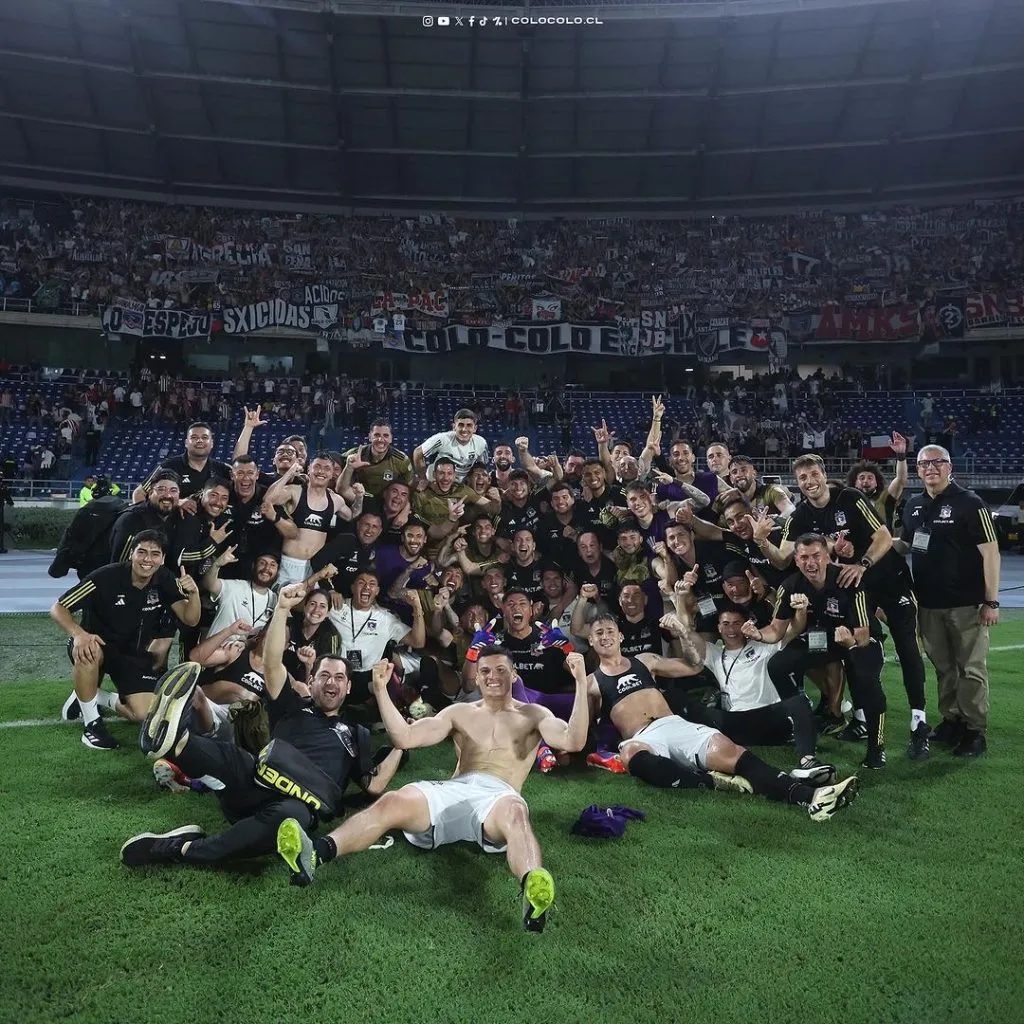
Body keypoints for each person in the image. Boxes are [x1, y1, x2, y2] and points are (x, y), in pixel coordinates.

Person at [275, 646, 592, 932]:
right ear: (477, 678)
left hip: (498, 796)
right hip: (456, 788)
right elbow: (406, 738)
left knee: (516, 813)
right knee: (393, 801)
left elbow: (573, 741)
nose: (492, 677)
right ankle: (315, 853)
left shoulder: (534, 715)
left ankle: (531, 890)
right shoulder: (460, 713)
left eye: (500, 670)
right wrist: (383, 691)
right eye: (485, 671)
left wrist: (580, 683)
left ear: (513, 674)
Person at [118, 585, 404, 872]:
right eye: (324, 675)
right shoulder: (293, 705)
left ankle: (179, 848)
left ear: (348, 686)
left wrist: (401, 745)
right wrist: (280, 610)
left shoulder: (356, 733)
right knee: (234, 757)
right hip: (253, 782)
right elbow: (272, 663)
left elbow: (375, 785)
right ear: (311, 681)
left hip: (294, 805)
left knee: (292, 819)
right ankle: (171, 741)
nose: (331, 682)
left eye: (339, 678)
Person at [585, 612, 858, 820]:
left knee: (730, 752)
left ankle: (811, 796)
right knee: (631, 754)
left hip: (673, 724)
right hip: (642, 737)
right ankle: (709, 780)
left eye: (610, 631)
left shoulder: (645, 661)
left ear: (620, 636)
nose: (605, 636)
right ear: (591, 640)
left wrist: (682, 632)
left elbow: (693, 667)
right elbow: (585, 730)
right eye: (599, 633)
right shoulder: (591, 683)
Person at [753, 453, 929, 756]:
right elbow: (782, 559)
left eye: (813, 475)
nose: (809, 482)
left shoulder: (850, 498)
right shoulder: (799, 517)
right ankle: (861, 718)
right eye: (802, 478)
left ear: (824, 474)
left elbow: (884, 536)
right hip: (853, 589)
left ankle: (918, 722)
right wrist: (760, 541)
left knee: (907, 649)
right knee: (854, 651)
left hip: (886, 581)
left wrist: (862, 563)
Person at [50, 530, 201, 749]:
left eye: (154, 554)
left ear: (162, 559)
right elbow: (58, 607)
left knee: (141, 714)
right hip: (98, 645)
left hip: (133, 653)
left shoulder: (165, 578)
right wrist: (79, 634)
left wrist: (194, 593)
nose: (147, 559)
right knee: (87, 650)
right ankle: (92, 725)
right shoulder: (104, 576)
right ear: (131, 554)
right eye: (142, 552)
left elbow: (190, 619)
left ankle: (88, 694)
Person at [894, 445, 1000, 757]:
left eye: (937, 462)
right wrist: (877, 544)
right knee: (943, 667)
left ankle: (974, 730)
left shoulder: (970, 503)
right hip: (928, 603)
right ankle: (952, 719)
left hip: (967, 603)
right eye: (924, 463)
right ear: (918, 469)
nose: (931, 468)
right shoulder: (913, 505)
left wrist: (991, 602)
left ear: (949, 466)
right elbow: (906, 545)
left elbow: (991, 552)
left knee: (970, 668)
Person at [755, 532, 888, 770]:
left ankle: (876, 748)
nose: (810, 562)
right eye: (804, 557)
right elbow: (776, 630)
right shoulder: (790, 585)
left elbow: (863, 634)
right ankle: (803, 728)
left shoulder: (849, 580)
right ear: (796, 560)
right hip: (824, 638)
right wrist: (757, 634)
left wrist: (850, 644)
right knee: (778, 665)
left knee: (867, 679)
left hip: (858, 639)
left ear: (827, 557)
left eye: (816, 555)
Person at [264, 453, 362, 587]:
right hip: (288, 565)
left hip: (314, 569)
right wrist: (289, 473)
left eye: (327, 468)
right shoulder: (295, 491)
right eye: (317, 466)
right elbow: (268, 500)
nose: (321, 471)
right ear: (309, 469)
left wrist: (360, 497)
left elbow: (352, 515)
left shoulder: (335, 500)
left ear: (333, 473)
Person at [133, 422, 232, 505]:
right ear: (186, 443)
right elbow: (139, 493)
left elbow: (241, 467)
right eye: (194, 437)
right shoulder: (168, 466)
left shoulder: (221, 469)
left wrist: (248, 428)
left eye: (205, 437)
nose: (200, 441)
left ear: (212, 443)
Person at [846, 432, 909, 531]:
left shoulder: (885, 498)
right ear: (855, 482)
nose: (866, 480)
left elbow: (901, 480)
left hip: (884, 545)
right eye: (862, 478)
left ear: (876, 483)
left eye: (870, 478)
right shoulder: (846, 501)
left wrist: (901, 455)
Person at [339, 419, 413, 497]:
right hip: (359, 499)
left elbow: (408, 487)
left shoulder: (401, 460)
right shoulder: (354, 455)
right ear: (370, 437)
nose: (380, 439)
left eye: (386, 435)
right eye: (377, 435)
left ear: (391, 438)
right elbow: (334, 463)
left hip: (387, 503)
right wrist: (349, 467)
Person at [413, 408, 489, 484]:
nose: (464, 429)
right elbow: (418, 452)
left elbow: (481, 466)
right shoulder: (442, 439)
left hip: (462, 484)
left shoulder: (481, 443)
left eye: (469, 425)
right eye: (460, 425)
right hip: (437, 481)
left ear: (475, 428)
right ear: (454, 427)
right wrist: (423, 478)